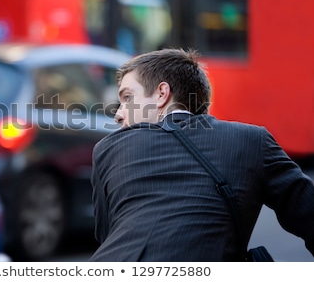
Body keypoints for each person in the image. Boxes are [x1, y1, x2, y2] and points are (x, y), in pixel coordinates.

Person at [89, 48, 314, 261]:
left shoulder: (108, 148)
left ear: (161, 94)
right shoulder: (252, 141)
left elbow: (107, 236)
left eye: (127, 97)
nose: (118, 114)